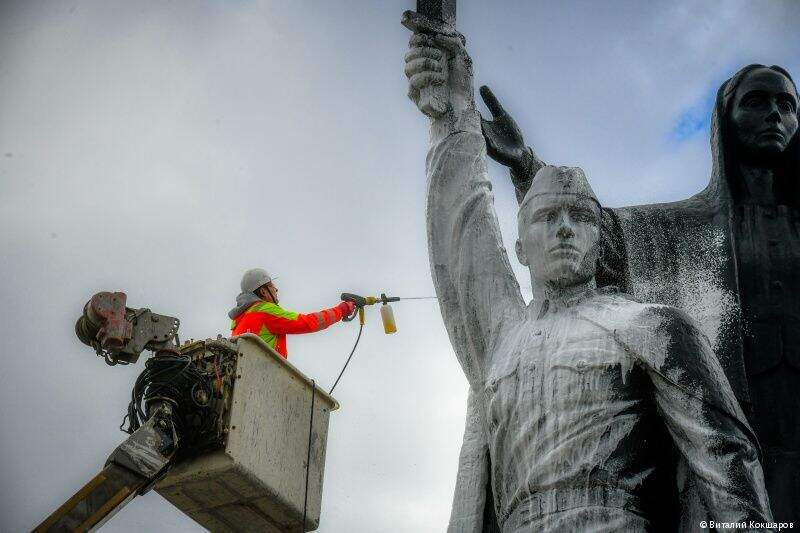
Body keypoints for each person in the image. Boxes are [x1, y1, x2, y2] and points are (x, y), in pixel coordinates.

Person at [405, 27, 772, 531]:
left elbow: (727, 463)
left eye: (580, 217)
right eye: (547, 217)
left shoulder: (654, 327)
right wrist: (452, 116)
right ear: (519, 249)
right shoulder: (501, 338)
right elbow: (461, 226)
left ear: (601, 240)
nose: (563, 229)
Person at [481, 64, 800, 524]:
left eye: (786, 105)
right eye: (756, 101)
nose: (774, 114)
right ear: (724, 121)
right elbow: (590, 231)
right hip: (736, 414)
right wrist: (527, 168)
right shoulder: (686, 226)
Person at [228, 268, 355, 358]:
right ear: (263, 291)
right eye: (272, 285)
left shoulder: (240, 319)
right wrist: (342, 310)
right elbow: (309, 323)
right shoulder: (265, 311)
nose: (276, 289)